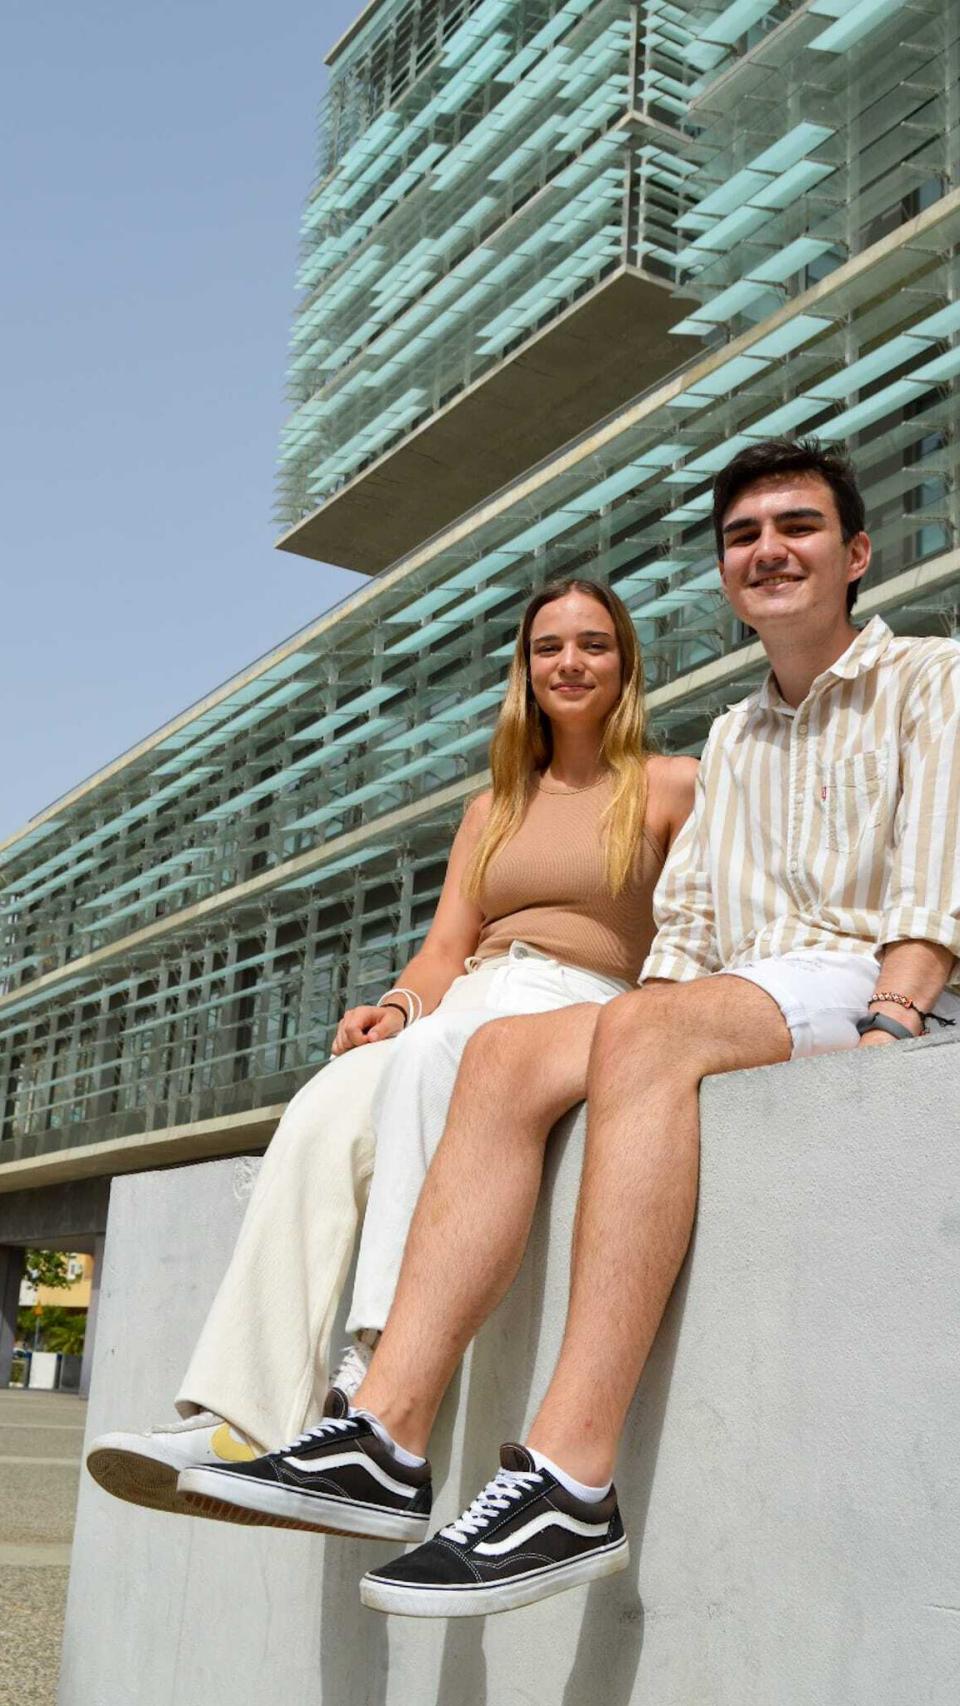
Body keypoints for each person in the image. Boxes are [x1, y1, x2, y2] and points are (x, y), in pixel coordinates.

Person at [177, 436, 960, 1618]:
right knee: (500, 1050)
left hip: (875, 982)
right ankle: (383, 1435)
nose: (767, 550)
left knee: (642, 1032)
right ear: (724, 576)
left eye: (796, 527)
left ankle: (567, 1479)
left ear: (855, 554)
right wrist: (657, 1009)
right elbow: (689, 923)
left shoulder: (935, 677)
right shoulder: (737, 738)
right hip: (748, 995)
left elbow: (939, 868)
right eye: (743, 536)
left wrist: (896, 1017)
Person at [86, 578, 697, 1516]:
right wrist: (400, 1005)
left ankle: (367, 1396)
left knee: (429, 1064)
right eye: (548, 648)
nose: (570, 663)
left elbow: (694, 932)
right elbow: (448, 947)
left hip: (580, 1000)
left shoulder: (670, 785)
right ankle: (242, 1416)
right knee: (324, 1108)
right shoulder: (492, 807)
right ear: (525, 672)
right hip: (474, 997)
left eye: (593, 645)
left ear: (625, 665)